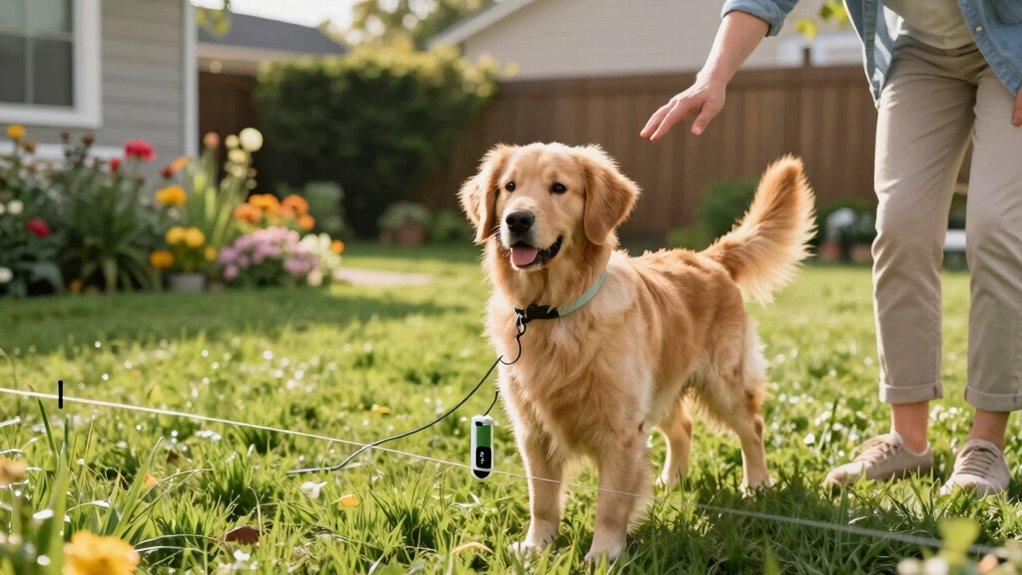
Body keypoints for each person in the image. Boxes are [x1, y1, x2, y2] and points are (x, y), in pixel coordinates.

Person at [641, 0, 1022, 496]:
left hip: (1013, 37)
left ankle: (986, 445)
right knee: (900, 227)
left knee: (996, 227)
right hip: (924, 51)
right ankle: (908, 440)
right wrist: (712, 76)